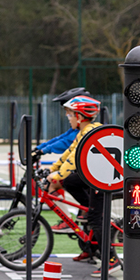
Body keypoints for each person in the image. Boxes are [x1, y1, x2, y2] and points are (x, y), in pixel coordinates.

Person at [44, 96, 113, 276]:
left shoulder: (90, 131)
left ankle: (111, 259)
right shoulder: (83, 131)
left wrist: (58, 175)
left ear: (80, 116)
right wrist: (53, 169)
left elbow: (75, 159)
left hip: (102, 179)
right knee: (69, 182)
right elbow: (70, 152)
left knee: (95, 219)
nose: (68, 117)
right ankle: (90, 240)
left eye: (70, 114)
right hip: (93, 176)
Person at [33, 87, 93, 233]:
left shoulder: (85, 130)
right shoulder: (78, 129)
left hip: (88, 172)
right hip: (81, 169)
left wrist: (56, 172)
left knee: (57, 184)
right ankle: (87, 245)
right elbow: (63, 142)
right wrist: (40, 148)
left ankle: (68, 221)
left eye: (69, 112)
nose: (66, 115)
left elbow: (68, 147)